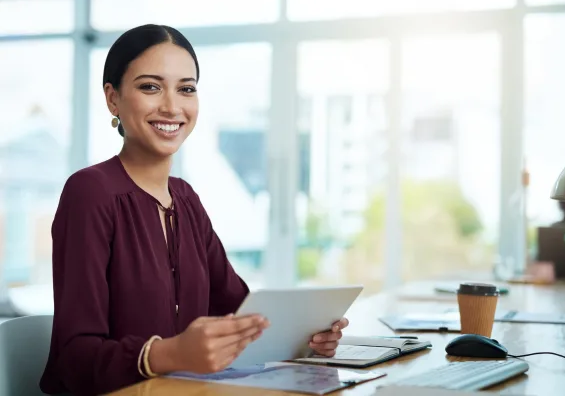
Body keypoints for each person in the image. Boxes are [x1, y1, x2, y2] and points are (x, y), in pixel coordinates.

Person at [39, 24, 349, 396]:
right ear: (113, 98)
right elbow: (73, 360)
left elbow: (237, 313)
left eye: (186, 88)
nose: (172, 106)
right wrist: (168, 353)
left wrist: (305, 337)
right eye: (150, 87)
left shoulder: (186, 199)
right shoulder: (90, 192)